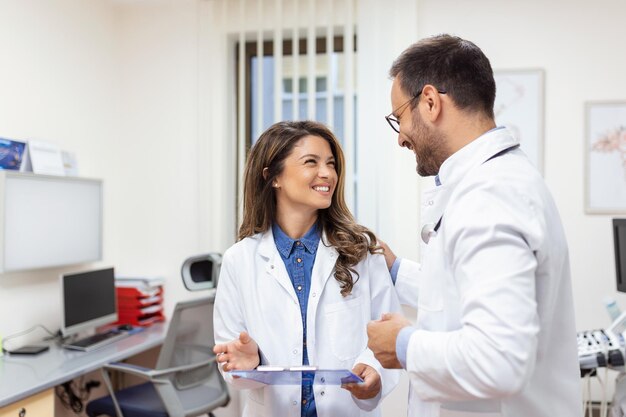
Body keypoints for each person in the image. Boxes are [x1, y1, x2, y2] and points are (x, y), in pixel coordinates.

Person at [366, 34, 581, 417]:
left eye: (398, 118)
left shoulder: (490, 194)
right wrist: (396, 270)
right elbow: (463, 285)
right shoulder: (493, 180)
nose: (400, 138)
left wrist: (402, 345)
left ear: (430, 102)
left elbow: (498, 360)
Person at [213, 120, 400, 417]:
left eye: (330, 163)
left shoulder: (361, 251)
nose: (327, 173)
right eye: (311, 162)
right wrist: (249, 365)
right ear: (273, 177)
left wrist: (374, 375)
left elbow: (387, 333)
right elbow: (231, 360)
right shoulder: (239, 260)